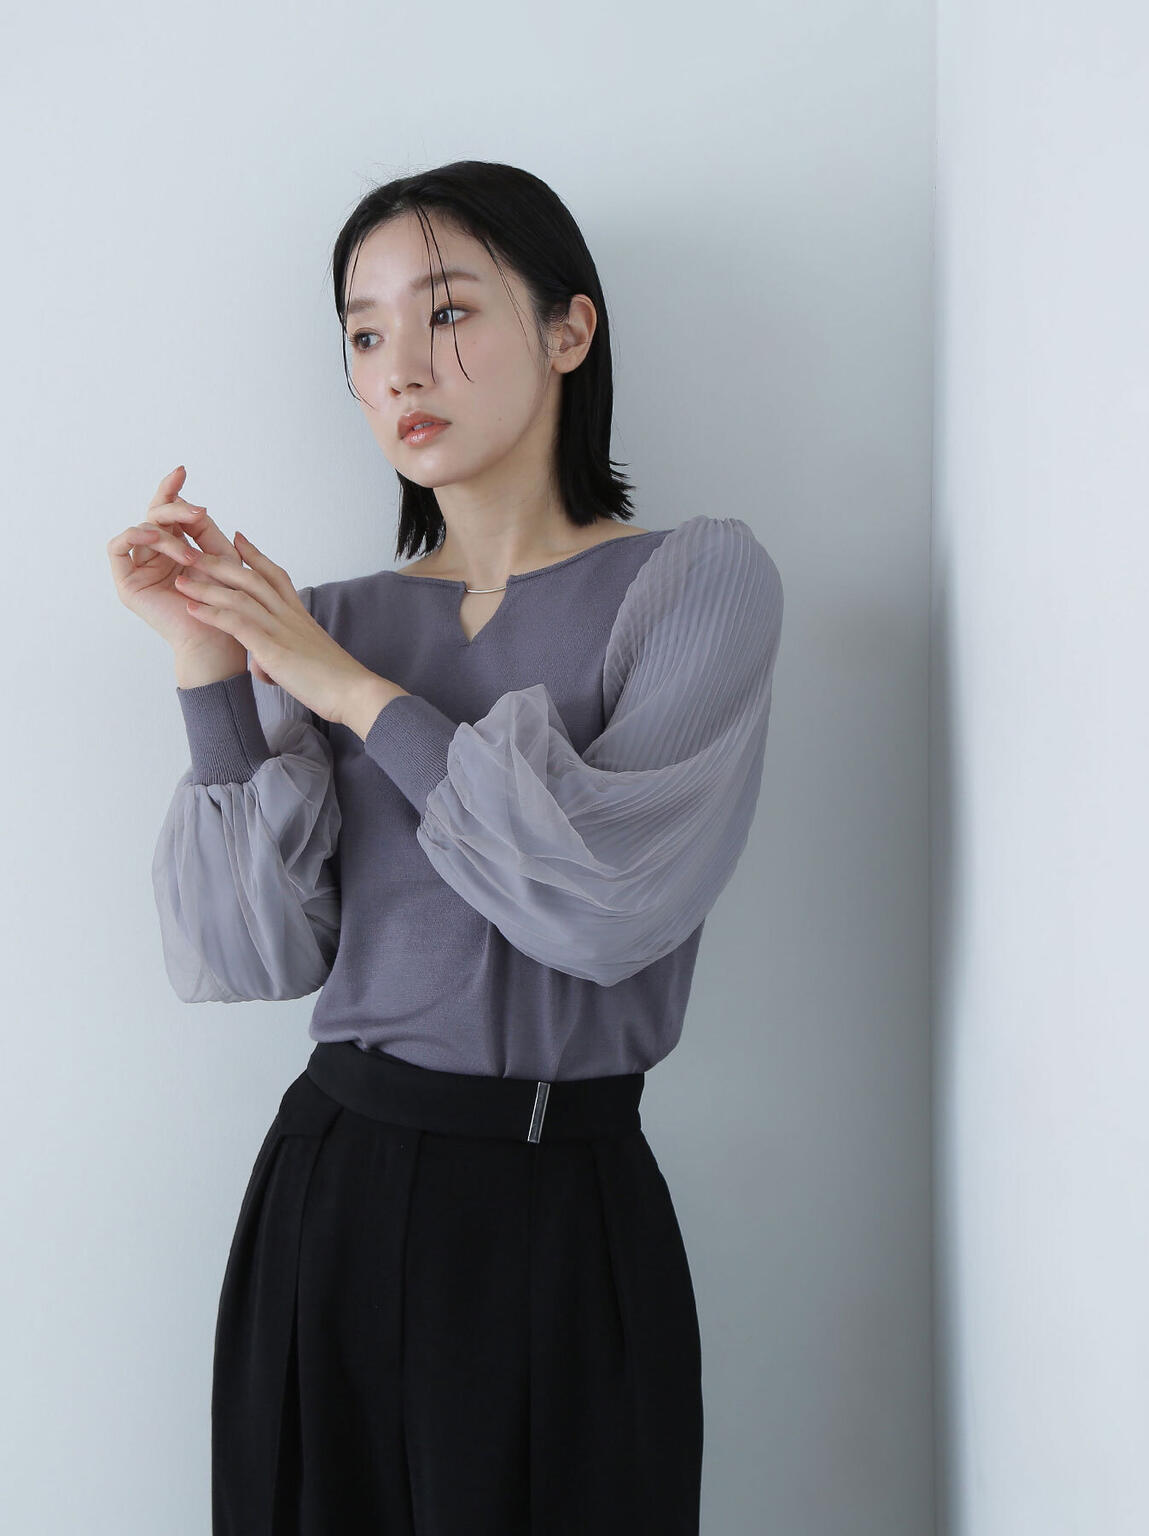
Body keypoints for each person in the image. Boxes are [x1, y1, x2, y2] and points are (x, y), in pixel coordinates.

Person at [107, 160, 784, 1536]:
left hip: (565, 1201)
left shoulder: (694, 582)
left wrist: (350, 690)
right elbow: (251, 956)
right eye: (365, 335)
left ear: (570, 329)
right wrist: (207, 669)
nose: (402, 367)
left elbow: (602, 904)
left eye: (450, 310)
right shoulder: (327, 618)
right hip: (336, 1190)